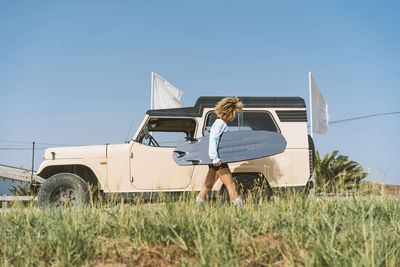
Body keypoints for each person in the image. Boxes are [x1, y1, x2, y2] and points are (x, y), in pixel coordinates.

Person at [196, 97, 243, 205]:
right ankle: (241, 211)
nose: (235, 115)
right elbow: (213, 139)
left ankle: (197, 207)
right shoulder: (220, 123)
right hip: (218, 161)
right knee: (231, 186)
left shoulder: (219, 123)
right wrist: (215, 157)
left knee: (207, 186)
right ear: (230, 112)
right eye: (235, 112)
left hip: (215, 160)